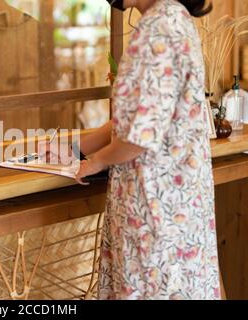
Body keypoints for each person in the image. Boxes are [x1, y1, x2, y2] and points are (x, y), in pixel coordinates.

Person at [75, 0, 220, 299]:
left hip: (155, 205)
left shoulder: (159, 28)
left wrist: (95, 162)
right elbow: (139, 116)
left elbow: (139, 136)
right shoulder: (173, 19)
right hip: (176, 203)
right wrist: (75, 146)